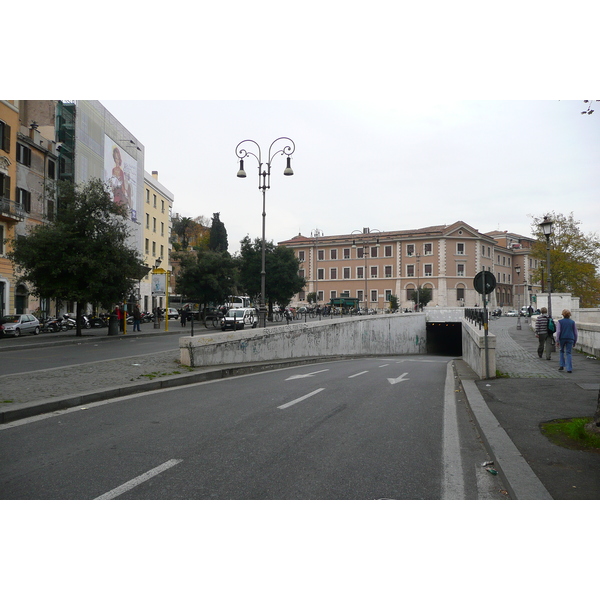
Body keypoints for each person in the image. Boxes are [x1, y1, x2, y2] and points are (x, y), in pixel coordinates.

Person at [556, 309, 578, 373]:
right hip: (570, 338)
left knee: (561, 351)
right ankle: (569, 368)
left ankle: (562, 365)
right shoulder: (572, 322)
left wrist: (557, 340)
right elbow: (575, 332)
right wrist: (575, 341)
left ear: (563, 315)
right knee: (568, 353)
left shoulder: (560, 322)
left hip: (562, 338)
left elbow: (558, 332)